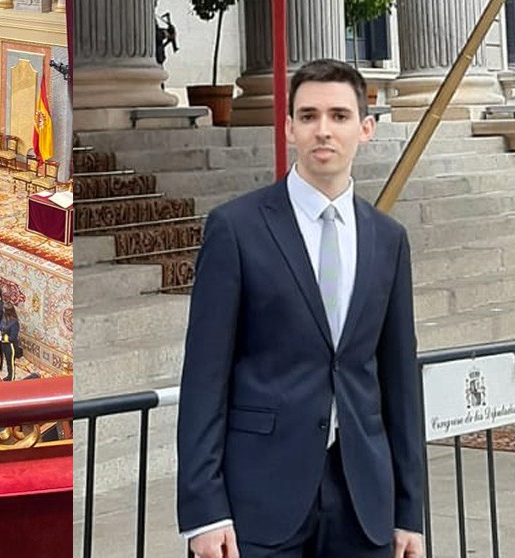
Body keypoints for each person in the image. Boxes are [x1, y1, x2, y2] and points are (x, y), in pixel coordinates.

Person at [176, 58, 424, 558]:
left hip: (365, 503)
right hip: (259, 500)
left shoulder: (388, 239)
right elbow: (204, 377)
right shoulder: (237, 228)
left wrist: (409, 512)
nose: (323, 130)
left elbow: (400, 380)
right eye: (309, 116)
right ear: (289, 128)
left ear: (366, 129)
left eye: (339, 116)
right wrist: (204, 510)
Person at [0, 304, 21, 381]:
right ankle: (9, 375)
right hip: (4, 344)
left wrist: (1, 337)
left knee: (10, 362)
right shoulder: (4, 318)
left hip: (11, 346)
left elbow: (12, 338)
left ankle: (11, 377)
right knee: (7, 360)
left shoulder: (15, 323)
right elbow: (0, 327)